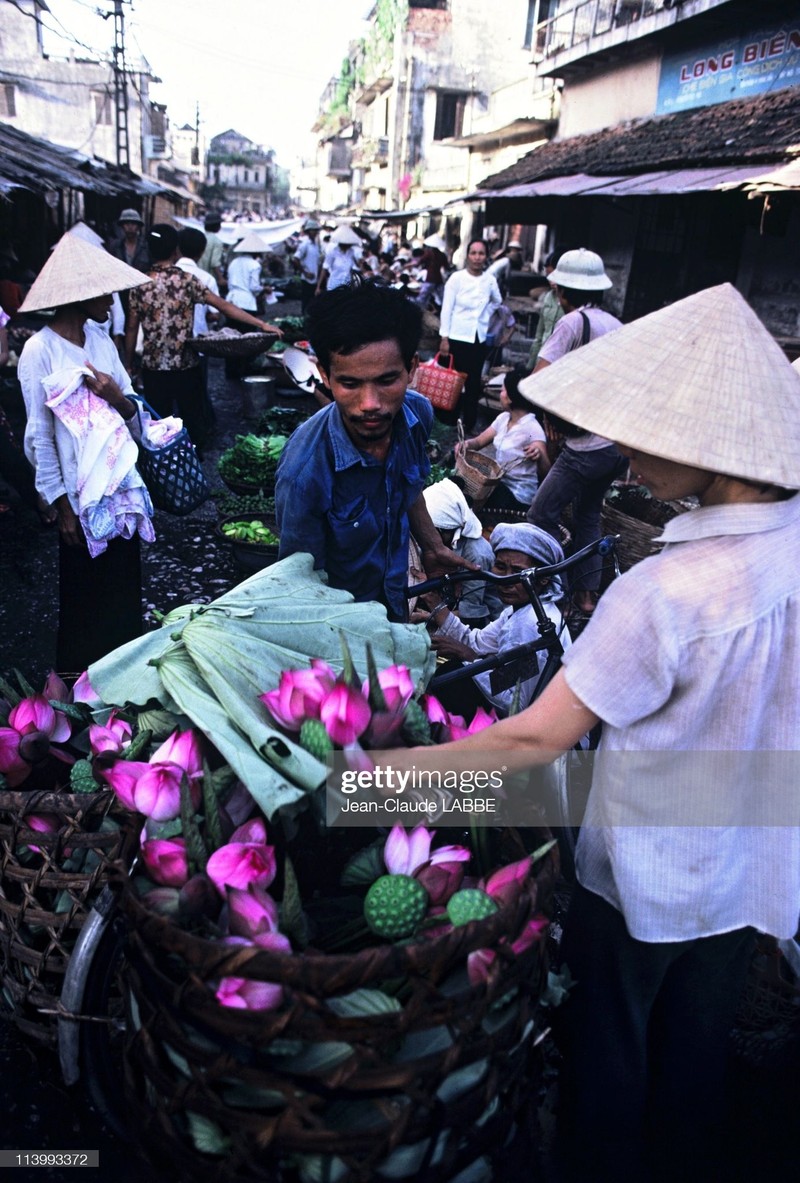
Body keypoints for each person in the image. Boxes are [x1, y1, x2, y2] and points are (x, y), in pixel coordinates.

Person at [382, 282, 800, 1183]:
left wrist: (372, 785)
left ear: (711, 443)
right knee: (694, 1058)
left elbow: (531, 744)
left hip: (644, 874)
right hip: (751, 859)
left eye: (648, 432)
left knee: (609, 1056)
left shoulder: (662, 593)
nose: (627, 453)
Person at [275, 284, 475, 622]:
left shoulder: (417, 415)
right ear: (324, 374)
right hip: (339, 628)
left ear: (412, 369)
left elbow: (407, 486)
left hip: (395, 603)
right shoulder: (303, 473)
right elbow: (299, 588)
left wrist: (432, 546)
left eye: (387, 381)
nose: (371, 404)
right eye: (350, 384)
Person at [16, 234, 155, 673]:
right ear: (79, 296)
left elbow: (135, 413)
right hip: (78, 501)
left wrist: (116, 396)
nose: (112, 302)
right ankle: (83, 697)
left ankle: (127, 687)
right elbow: (39, 438)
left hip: (120, 494)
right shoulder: (39, 351)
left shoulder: (102, 342)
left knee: (123, 594)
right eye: (105, 293)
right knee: (83, 602)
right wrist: (62, 508)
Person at [525, 248, 627, 613]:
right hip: (615, 446)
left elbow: (538, 380)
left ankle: (553, 589)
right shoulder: (615, 324)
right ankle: (586, 596)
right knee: (587, 516)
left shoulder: (571, 323)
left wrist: (553, 417)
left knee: (541, 514)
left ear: (561, 291)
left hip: (585, 446)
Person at [125, 224, 282, 453]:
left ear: (149, 249)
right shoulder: (188, 280)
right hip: (186, 365)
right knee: (192, 419)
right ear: (176, 251)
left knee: (159, 423)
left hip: (153, 367)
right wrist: (261, 324)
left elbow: (131, 328)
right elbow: (225, 307)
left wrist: (129, 363)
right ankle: (193, 462)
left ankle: (165, 466)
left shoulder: (139, 284)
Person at [419, 521, 569, 718]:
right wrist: (433, 600)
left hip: (539, 727)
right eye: (500, 567)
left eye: (517, 571)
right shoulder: (519, 610)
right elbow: (477, 641)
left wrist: (469, 657)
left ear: (543, 579)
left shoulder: (529, 624)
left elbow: (514, 703)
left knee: (450, 680)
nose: (506, 580)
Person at [459, 365, 549, 514]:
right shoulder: (503, 419)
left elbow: (546, 470)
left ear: (510, 397)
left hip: (518, 495)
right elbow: (479, 442)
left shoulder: (531, 428)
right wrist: (465, 444)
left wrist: (539, 455)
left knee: (476, 495)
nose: (500, 394)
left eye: (503, 390)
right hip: (500, 485)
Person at [411, 478, 499, 622]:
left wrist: (426, 617)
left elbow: (471, 613)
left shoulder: (477, 555)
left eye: (435, 532)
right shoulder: (430, 542)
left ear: (449, 530)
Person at [439, 239, 503, 430]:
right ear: (467, 255)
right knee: (454, 380)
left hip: (477, 337)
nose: (477, 258)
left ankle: (469, 423)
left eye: (481, 253)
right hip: (456, 336)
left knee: (473, 381)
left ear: (486, 256)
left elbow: (497, 301)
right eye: (473, 253)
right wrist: (444, 337)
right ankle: (449, 420)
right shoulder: (456, 279)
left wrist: (484, 315)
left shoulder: (489, 280)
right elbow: (446, 308)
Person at [527, 247, 565, 368]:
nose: (551, 281)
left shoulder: (572, 302)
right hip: (543, 359)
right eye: (548, 276)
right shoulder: (548, 297)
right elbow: (539, 335)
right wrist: (531, 365)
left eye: (554, 275)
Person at [226, 231, 270, 314]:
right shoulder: (254, 264)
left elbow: (229, 282)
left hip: (231, 299)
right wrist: (264, 289)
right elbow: (254, 287)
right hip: (246, 302)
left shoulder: (234, 262)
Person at [316, 225, 361, 294]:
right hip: (334, 285)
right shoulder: (333, 252)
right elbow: (324, 268)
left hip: (347, 286)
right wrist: (318, 287)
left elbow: (356, 267)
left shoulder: (351, 252)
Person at [293, 218, 322, 310]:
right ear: (309, 231)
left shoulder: (317, 245)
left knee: (313, 303)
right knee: (306, 302)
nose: (315, 232)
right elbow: (295, 259)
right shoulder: (305, 244)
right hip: (307, 279)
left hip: (315, 278)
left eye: (316, 230)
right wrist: (305, 272)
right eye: (314, 230)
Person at [109, 208, 150, 273]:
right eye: (127, 224)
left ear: (138, 227)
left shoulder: (146, 246)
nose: (130, 227)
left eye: (133, 224)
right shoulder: (115, 246)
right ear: (122, 226)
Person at [415, 234, 448, 309]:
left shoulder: (429, 253)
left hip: (430, 278)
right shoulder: (442, 255)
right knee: (442, 298)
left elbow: (420, 262)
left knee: (422, 297)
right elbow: (446, 266)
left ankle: (418, 310)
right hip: (438, 278)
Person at [198, 212, 227, 291]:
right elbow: (215, 263)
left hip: (196, 276)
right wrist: (221, 279)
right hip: (207, 280)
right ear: (217, 226)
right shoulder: (217, 241)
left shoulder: (200, 237)